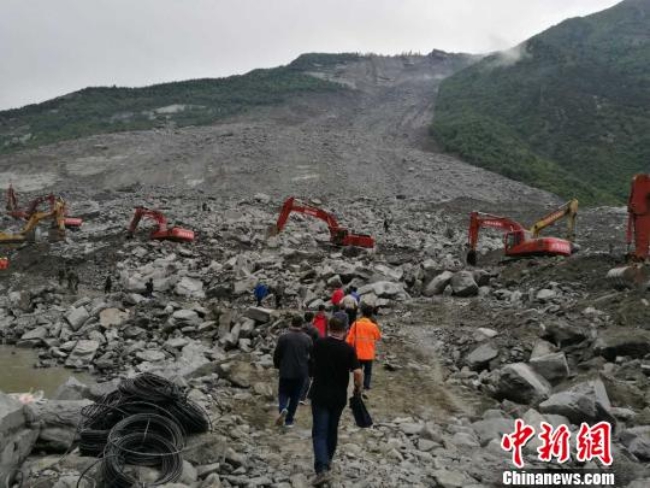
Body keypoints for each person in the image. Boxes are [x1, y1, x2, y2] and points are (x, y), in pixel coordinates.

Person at [310, 316, 363, 486]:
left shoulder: (318, 343)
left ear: (329, 327)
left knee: (319, 432)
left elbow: (311, 363)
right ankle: (328, 460)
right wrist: (357, 389)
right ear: (346, 329)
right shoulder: (348, 349)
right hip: (338, 396)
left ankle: (322, 468)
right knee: (332, 430)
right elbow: (358, 372)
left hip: (319, 393)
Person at [273, 315, 313, 428]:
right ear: (302, 325)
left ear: (291, 323)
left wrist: (277, 365)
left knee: (283, 392)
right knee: (295, 396)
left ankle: (282, 408)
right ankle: (289, 421)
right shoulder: (307, 339)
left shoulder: (283, 338)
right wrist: (310, 371)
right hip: (301, 371)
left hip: (286, 370)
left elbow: (277, 354)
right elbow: (312, 356)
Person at [346, 304, 381, 391]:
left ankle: (357, 386)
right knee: (368, 372)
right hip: (369, 353)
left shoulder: (355, 324)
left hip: (357, 353)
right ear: (371, 314)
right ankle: (366, 386)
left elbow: (349, 339)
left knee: (357, 371)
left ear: (362, 313)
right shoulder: (373, 326)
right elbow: (378, 337)